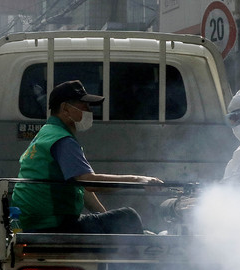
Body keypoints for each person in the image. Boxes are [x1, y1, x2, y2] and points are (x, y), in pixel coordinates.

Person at [12, 80, 163, 233]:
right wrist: (138, 180)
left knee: (114, 220)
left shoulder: (47, 133)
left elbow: (82, 187)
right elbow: (89, 182)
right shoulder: (62, 140)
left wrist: (105, 218)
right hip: (53, 223)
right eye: (84, 106)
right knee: (129, 217)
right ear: (65, 109)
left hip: (35, 222)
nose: (89, 111)